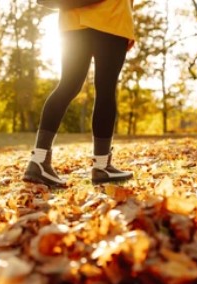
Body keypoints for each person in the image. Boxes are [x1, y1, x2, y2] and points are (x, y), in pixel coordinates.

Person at [23, 0, 135, 187]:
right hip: (111, 17)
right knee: (105, 90)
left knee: (67, 85)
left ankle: (39, 160)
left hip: (72, 21)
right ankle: (101, 166)